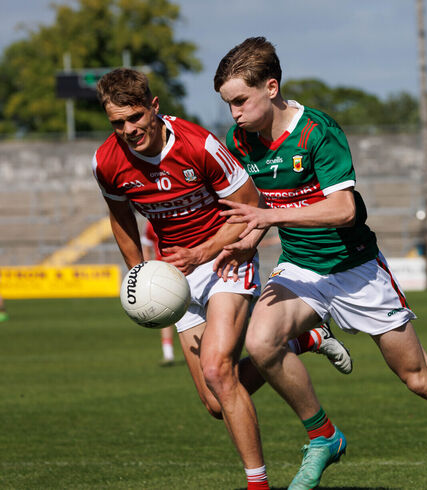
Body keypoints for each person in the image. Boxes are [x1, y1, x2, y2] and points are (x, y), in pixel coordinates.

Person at [212, 37, 427, 490]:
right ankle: (322, 435)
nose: (235, 115)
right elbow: (268, 205)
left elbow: (344, 209)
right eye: (228, 104)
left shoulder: (317, 132)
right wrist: (250, 238)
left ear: (271, 87)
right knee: (262, 342)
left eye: (240, 101)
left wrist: (269, 216)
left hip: (357, 270)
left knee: (419, 378)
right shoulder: (241, 141)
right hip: (301, 267)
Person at [91, 68, 351, 490]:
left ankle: (257, 484)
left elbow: (249, 206)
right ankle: (300, 342)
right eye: (117, 123)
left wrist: (204, 252)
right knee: (215, 401)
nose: (128, 130)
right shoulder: (106, 160)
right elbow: (120, 218)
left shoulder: (199, 145)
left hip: (225, 257)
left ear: (154, 108)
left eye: (135, 117)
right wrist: (138, 272)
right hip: (174, 274)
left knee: (217, 369)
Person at [139, 220, 178, 366]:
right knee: (165, 312)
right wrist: (147, 270)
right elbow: (146, 244)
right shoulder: (150, 223)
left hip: (187, 269)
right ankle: (168, 354)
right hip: (164, 274)